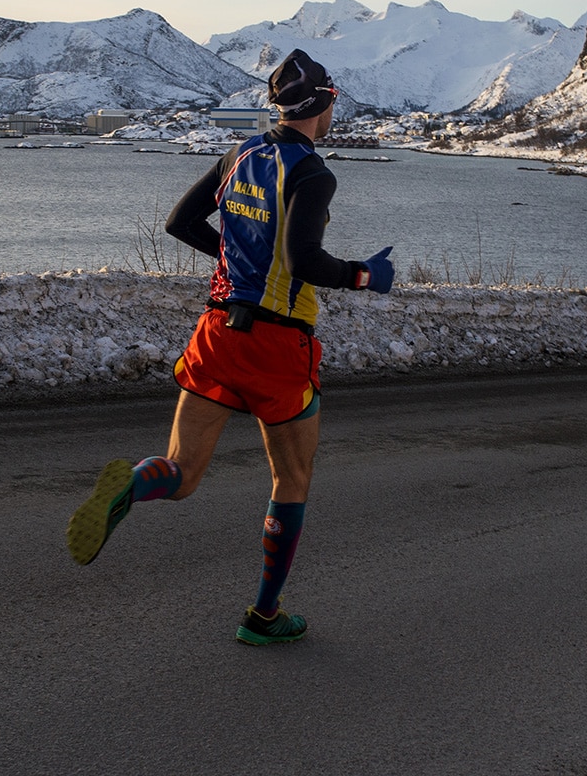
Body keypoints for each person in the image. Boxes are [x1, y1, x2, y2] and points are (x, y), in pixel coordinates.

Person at [65, 49, 395, 646]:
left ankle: (134, 484)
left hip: (217, 331)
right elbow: (304, 262)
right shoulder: (313, 172)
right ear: (323, 104)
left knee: (184, 473)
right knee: (291, 478)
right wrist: (365, 276)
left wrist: (233, 260)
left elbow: (179, 223)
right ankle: (265, 617)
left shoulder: (239, 153)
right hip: (277, 344)